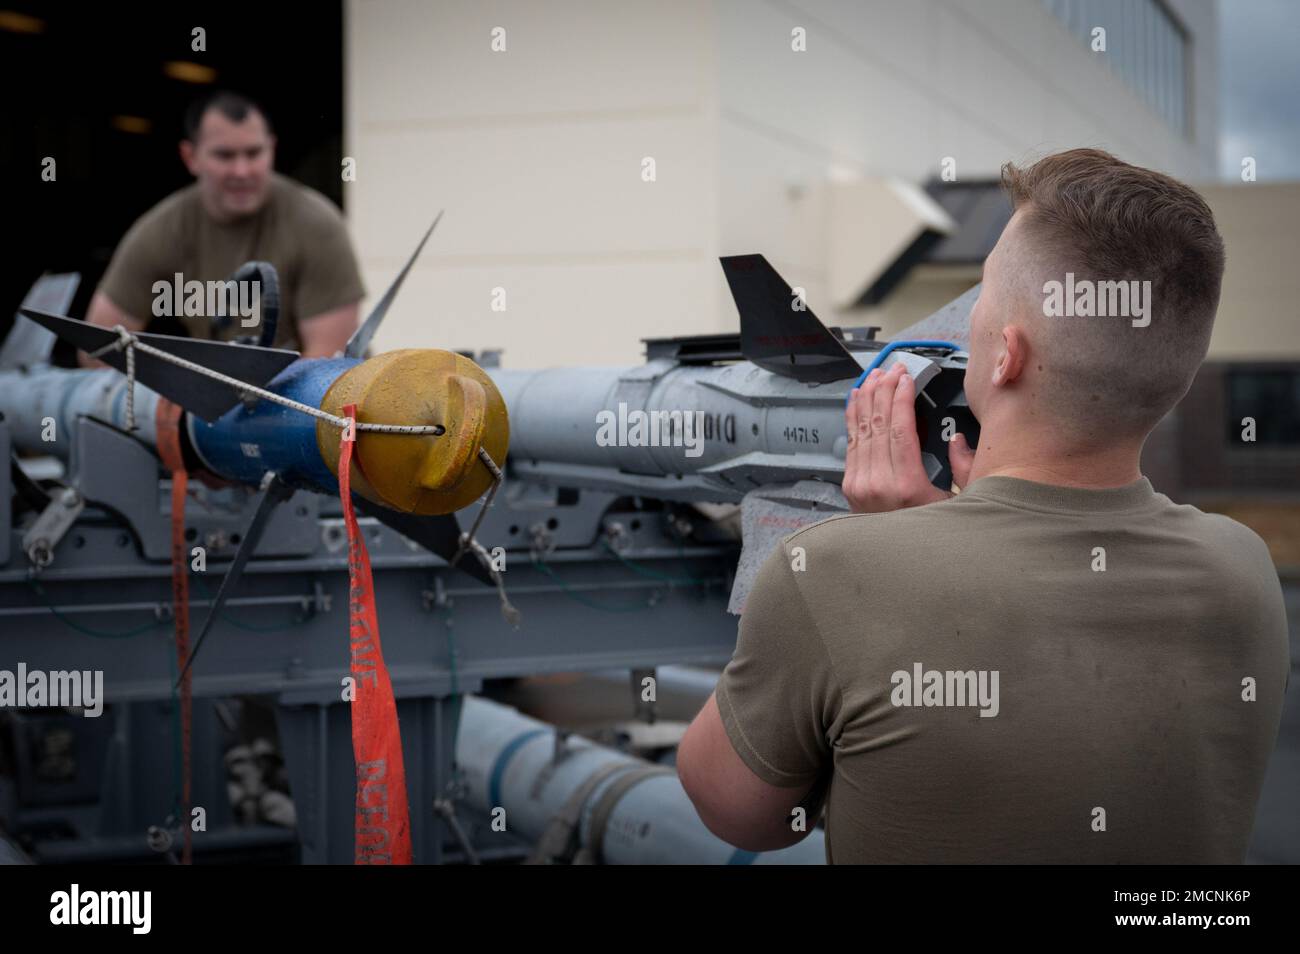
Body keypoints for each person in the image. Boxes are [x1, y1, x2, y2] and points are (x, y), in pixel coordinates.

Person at [677, 148, 1290, 863]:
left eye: (985, 293)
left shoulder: (830, 574)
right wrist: (920, 543)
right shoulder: (1244, 570)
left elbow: (736, 811)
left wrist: (881, 557)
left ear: (1005, 356)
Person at [79, 90, 363, 364]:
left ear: (272, 149)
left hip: (316, 401)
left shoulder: (316, 223)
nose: (242, 171)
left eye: (254, 153)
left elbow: (328, 365)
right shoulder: (162, 229)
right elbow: (99, 352)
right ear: (191, 157)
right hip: (215, 394)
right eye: (225, 156)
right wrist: (161, 394)